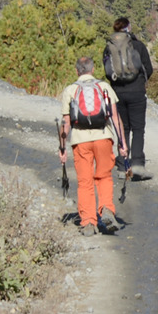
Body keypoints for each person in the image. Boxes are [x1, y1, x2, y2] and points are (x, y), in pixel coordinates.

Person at [59, 56, 127, 236]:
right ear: (92, 69)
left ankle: (88, 222)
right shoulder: (104, 87)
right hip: (103, 137)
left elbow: (66, 123)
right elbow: (115, 117)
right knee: (104, 176)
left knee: (84, 181)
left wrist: (62, 148)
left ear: (77, 71)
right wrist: (123, 144)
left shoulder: (70, 90)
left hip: (80, 140)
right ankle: (106, 210)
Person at [103, 17, 154, 180]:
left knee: (122, 128)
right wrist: (140, 81)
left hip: (118, 93)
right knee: (138, 128)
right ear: (128, 28)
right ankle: (138, 164)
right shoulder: (138, 45)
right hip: (137, 91)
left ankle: (122, 165)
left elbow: (107, 72)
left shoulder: (108, 47)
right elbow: (149, 68)